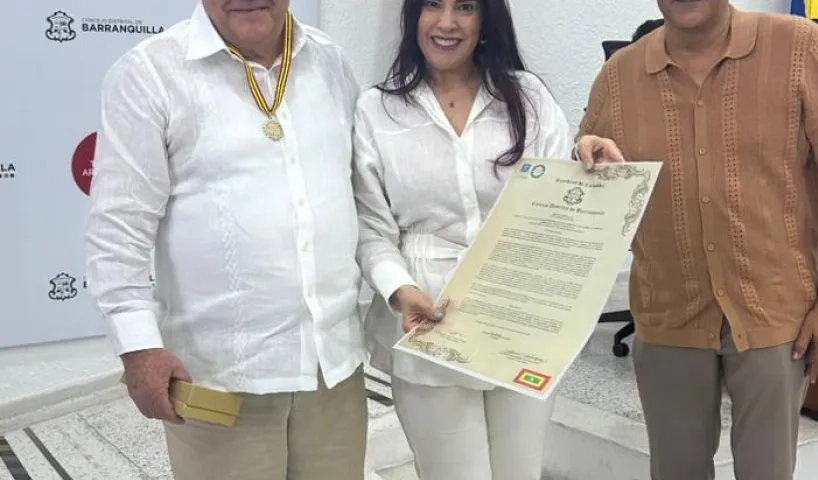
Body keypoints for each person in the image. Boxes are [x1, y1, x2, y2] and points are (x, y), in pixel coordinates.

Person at [85, 1, 368, 479]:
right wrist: (139, 347)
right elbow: (118, 228)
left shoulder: (329, 62)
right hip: (220, 376)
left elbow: (357, 193)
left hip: (333, 367)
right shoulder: (150, 73)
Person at [352, 0, 621, 478]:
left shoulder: (527, 97)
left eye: (465, 7)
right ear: (413, 15)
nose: (447, 22)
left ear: (486, 20)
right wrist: (399, 289)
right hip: (430, 318)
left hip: (519, 313)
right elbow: (371, 228)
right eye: (433, 5)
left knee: (520, 470)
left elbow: (555, 198)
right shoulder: (378, 109)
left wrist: (584, 161)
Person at [576, 0, 818, 479]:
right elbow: (585, 170)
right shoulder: (619, 75)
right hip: (667, 311)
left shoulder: (799, 46)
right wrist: (587, 159)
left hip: (774, 311)